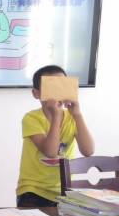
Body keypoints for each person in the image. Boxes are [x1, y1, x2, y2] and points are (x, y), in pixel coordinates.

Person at [16, 65, 94, 207]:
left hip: (65, 190)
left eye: (62, 86)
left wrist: (77, 115)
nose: (58, 94)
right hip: (33, 191)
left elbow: (88, 151)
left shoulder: (72, 117)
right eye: (52, 88)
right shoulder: (31, 118)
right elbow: (51, 152)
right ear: (36, 93)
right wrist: (57, 116)